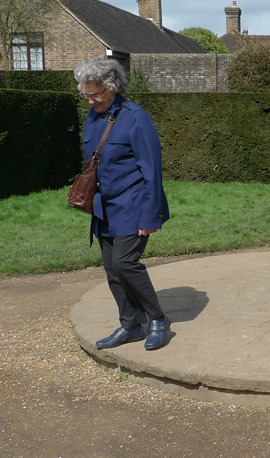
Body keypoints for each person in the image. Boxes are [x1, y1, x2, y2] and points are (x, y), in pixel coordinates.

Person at [75, 58, 172, 351]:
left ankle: (157, 318)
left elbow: (151, 169)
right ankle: (130, 324)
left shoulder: (135, 117)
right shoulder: (93, 116)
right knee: (111, 268)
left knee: (125, 262)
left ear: (112, 87)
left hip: (134, 203)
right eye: (86, 94)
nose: (91, 100)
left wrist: (150, 216)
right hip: (105, 206)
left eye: (96, 94)